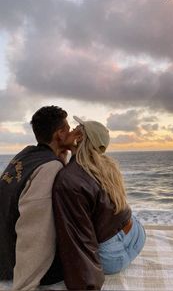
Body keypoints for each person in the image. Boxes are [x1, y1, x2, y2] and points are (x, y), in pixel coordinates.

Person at [52, 116, 146, 290]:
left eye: (76, 127)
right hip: (137, 235)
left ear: (80, 136)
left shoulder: (69, 179)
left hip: (113, 257)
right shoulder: (107, 166)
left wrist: (84, 284)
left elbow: (77, 238)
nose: (71, 130)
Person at [0, 105, 80, 290]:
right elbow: (35, 231)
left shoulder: (27, 155)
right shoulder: (50, 168)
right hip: (18, 264)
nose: (72, 133)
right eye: (68, 129)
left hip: (4, 250)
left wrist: (64, 157)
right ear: (60, 134)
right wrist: (24, 286)